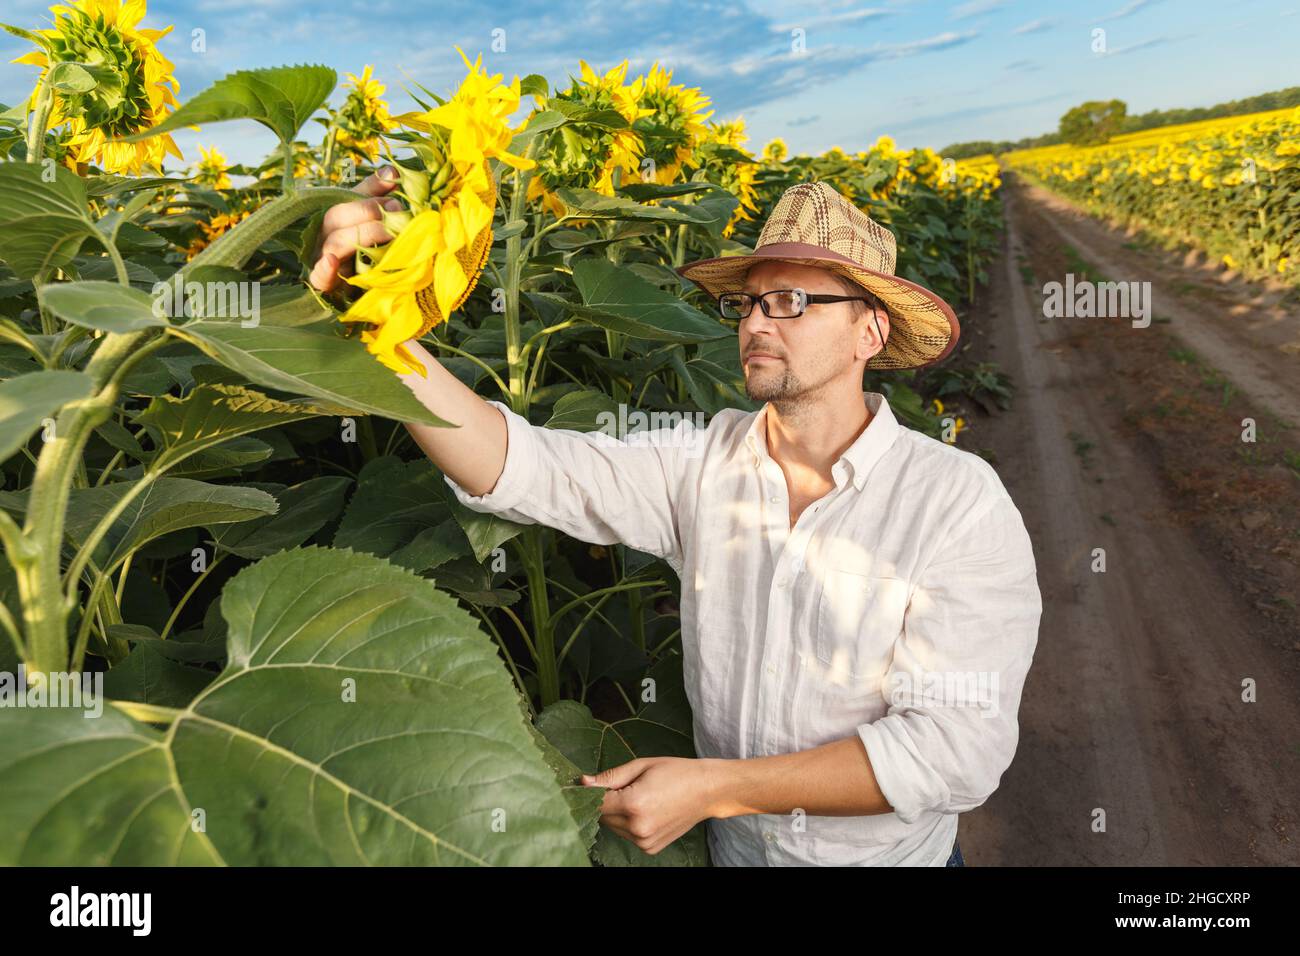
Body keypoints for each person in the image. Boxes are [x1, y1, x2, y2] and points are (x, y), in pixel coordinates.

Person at [311, 173, 1041, 866]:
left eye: (788, 301)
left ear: (869, 334)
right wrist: (385, 331)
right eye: (746, 304)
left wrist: (716, 788)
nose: (754, 322)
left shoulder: (954, 501)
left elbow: (955, 749)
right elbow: (521, 467)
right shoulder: (701, 462)